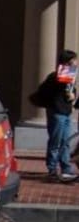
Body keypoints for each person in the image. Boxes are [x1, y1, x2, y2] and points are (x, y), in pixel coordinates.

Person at [37, 49, 79, 182]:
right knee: (56, 141)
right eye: (74, 60)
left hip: (66, 112)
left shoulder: (70, 77)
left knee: (65, 142)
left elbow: (72, 92)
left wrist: (73, 95)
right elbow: (48, 92)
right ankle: (52, 169)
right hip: (57, 112)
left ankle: (66, 167)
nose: (76, 63)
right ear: (67, 62)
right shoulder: (54, 77)